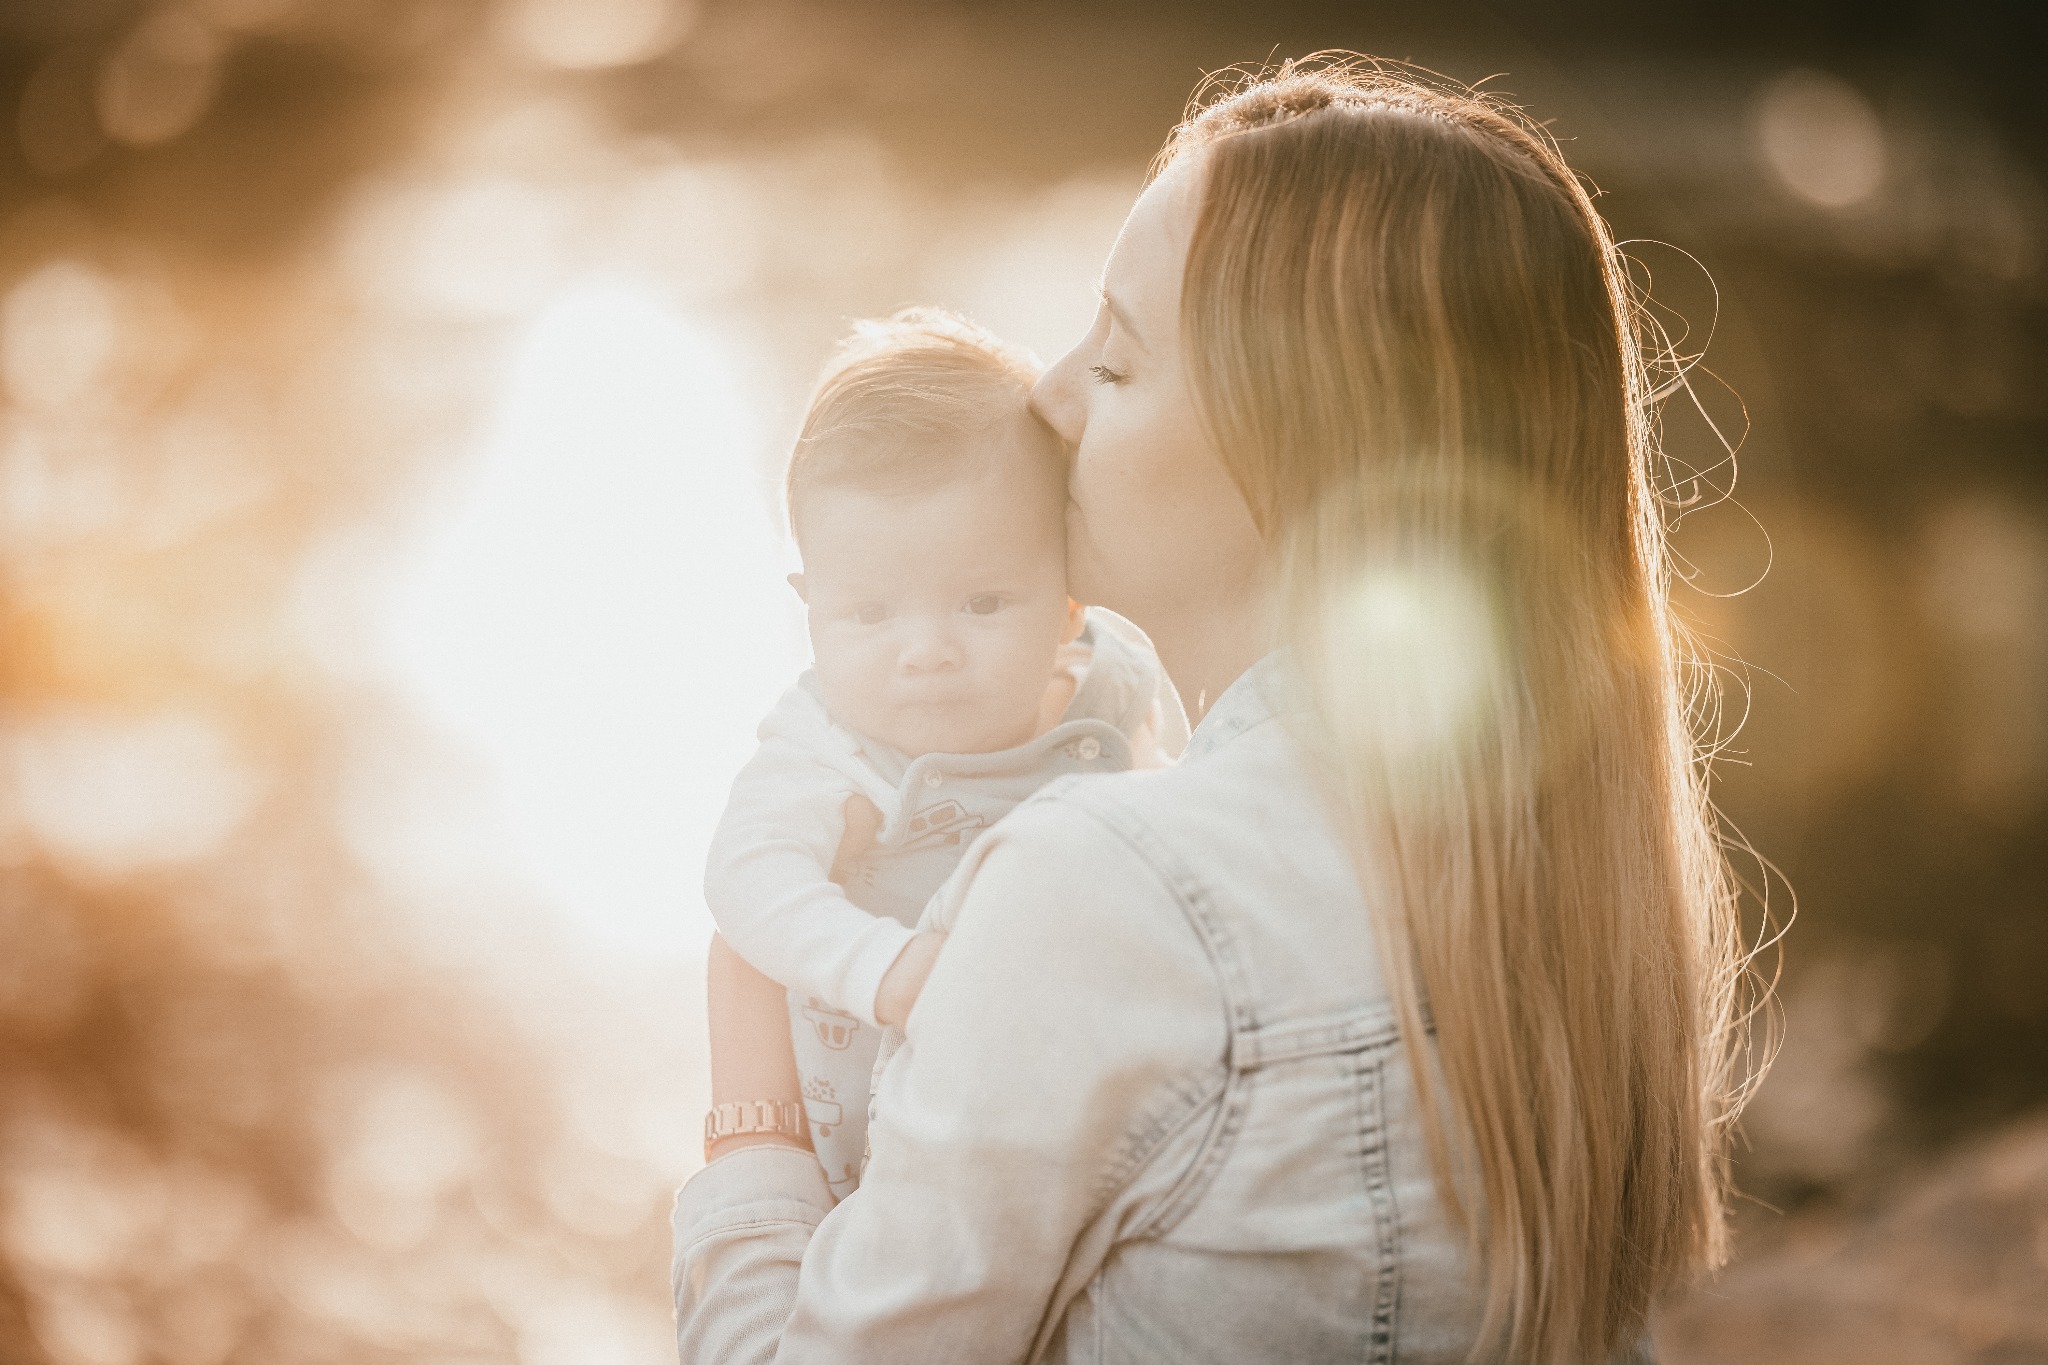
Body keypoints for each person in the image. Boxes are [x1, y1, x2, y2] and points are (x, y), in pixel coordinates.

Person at [674, 56, 1754, 1365]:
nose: (1051, 398)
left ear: (1297, 453)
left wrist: (753, 1111)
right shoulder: (1569, 852)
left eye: (1117, 365)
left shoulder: (1111, 888)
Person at [702, 307, 1183, 1200]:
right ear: (809, 606)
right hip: (878, 1160)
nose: (926, 648)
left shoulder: (1115, 695)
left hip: (1082, 1122)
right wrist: (880, 968)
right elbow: (746, 877)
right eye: (871, 613)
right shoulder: (829, 753)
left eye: (983, 602)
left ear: (1068, 596)